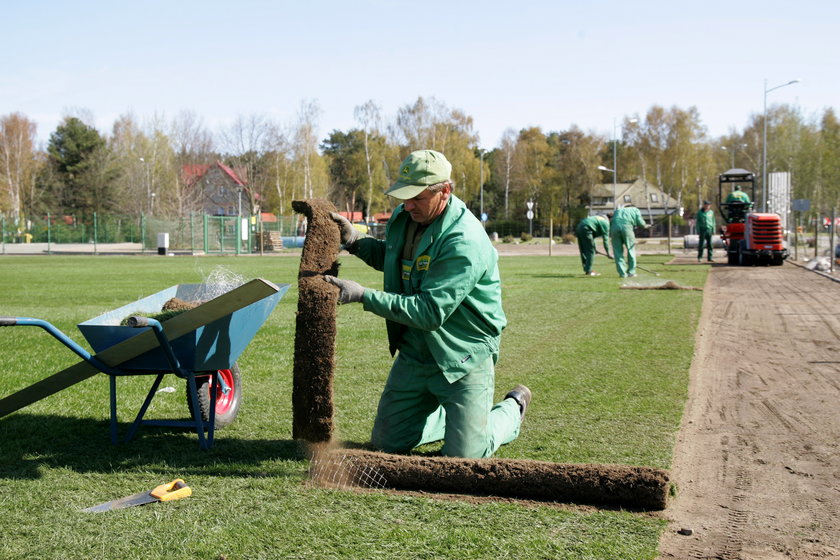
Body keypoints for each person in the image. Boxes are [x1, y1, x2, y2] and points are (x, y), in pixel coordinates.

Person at [324, 149, 531, 459]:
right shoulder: (404, 217)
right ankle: (459, 417)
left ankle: (510, 409)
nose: (407, 205)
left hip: (463, 354)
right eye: (403, 197)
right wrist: (355, 241)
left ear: (444, 191)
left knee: (464, 458)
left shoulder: (464, 240)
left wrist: (363, 295)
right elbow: (395, 258)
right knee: (386, 445)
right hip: (416, 351)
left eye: (416, 198)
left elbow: (429, 312)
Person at [609, 205, 649, 278]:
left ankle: (622, 274)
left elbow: (611, 222)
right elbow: (641, 223)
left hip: (614, 229)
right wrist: (646, 226)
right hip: (627, 228)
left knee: (617, 252)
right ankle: (631, 272)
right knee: (631, 250)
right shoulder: (635, 209)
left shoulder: (618, 210)